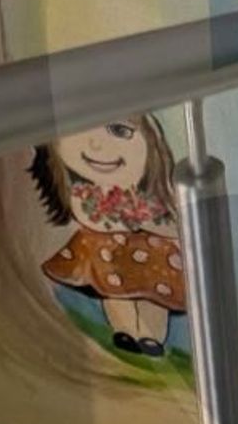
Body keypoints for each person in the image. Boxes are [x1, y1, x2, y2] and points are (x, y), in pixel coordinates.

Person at [29, 116, 184, 354]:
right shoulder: (86, 194)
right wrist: (121, 221)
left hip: (153, 255)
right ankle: (125, 331)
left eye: (120, 130)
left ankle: (152, 338)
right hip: (108, 254)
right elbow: (87, 216)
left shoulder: (153, 196)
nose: (96, 144)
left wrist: (148, 222)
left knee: (153, 296)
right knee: (114, 291)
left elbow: (170, 224)